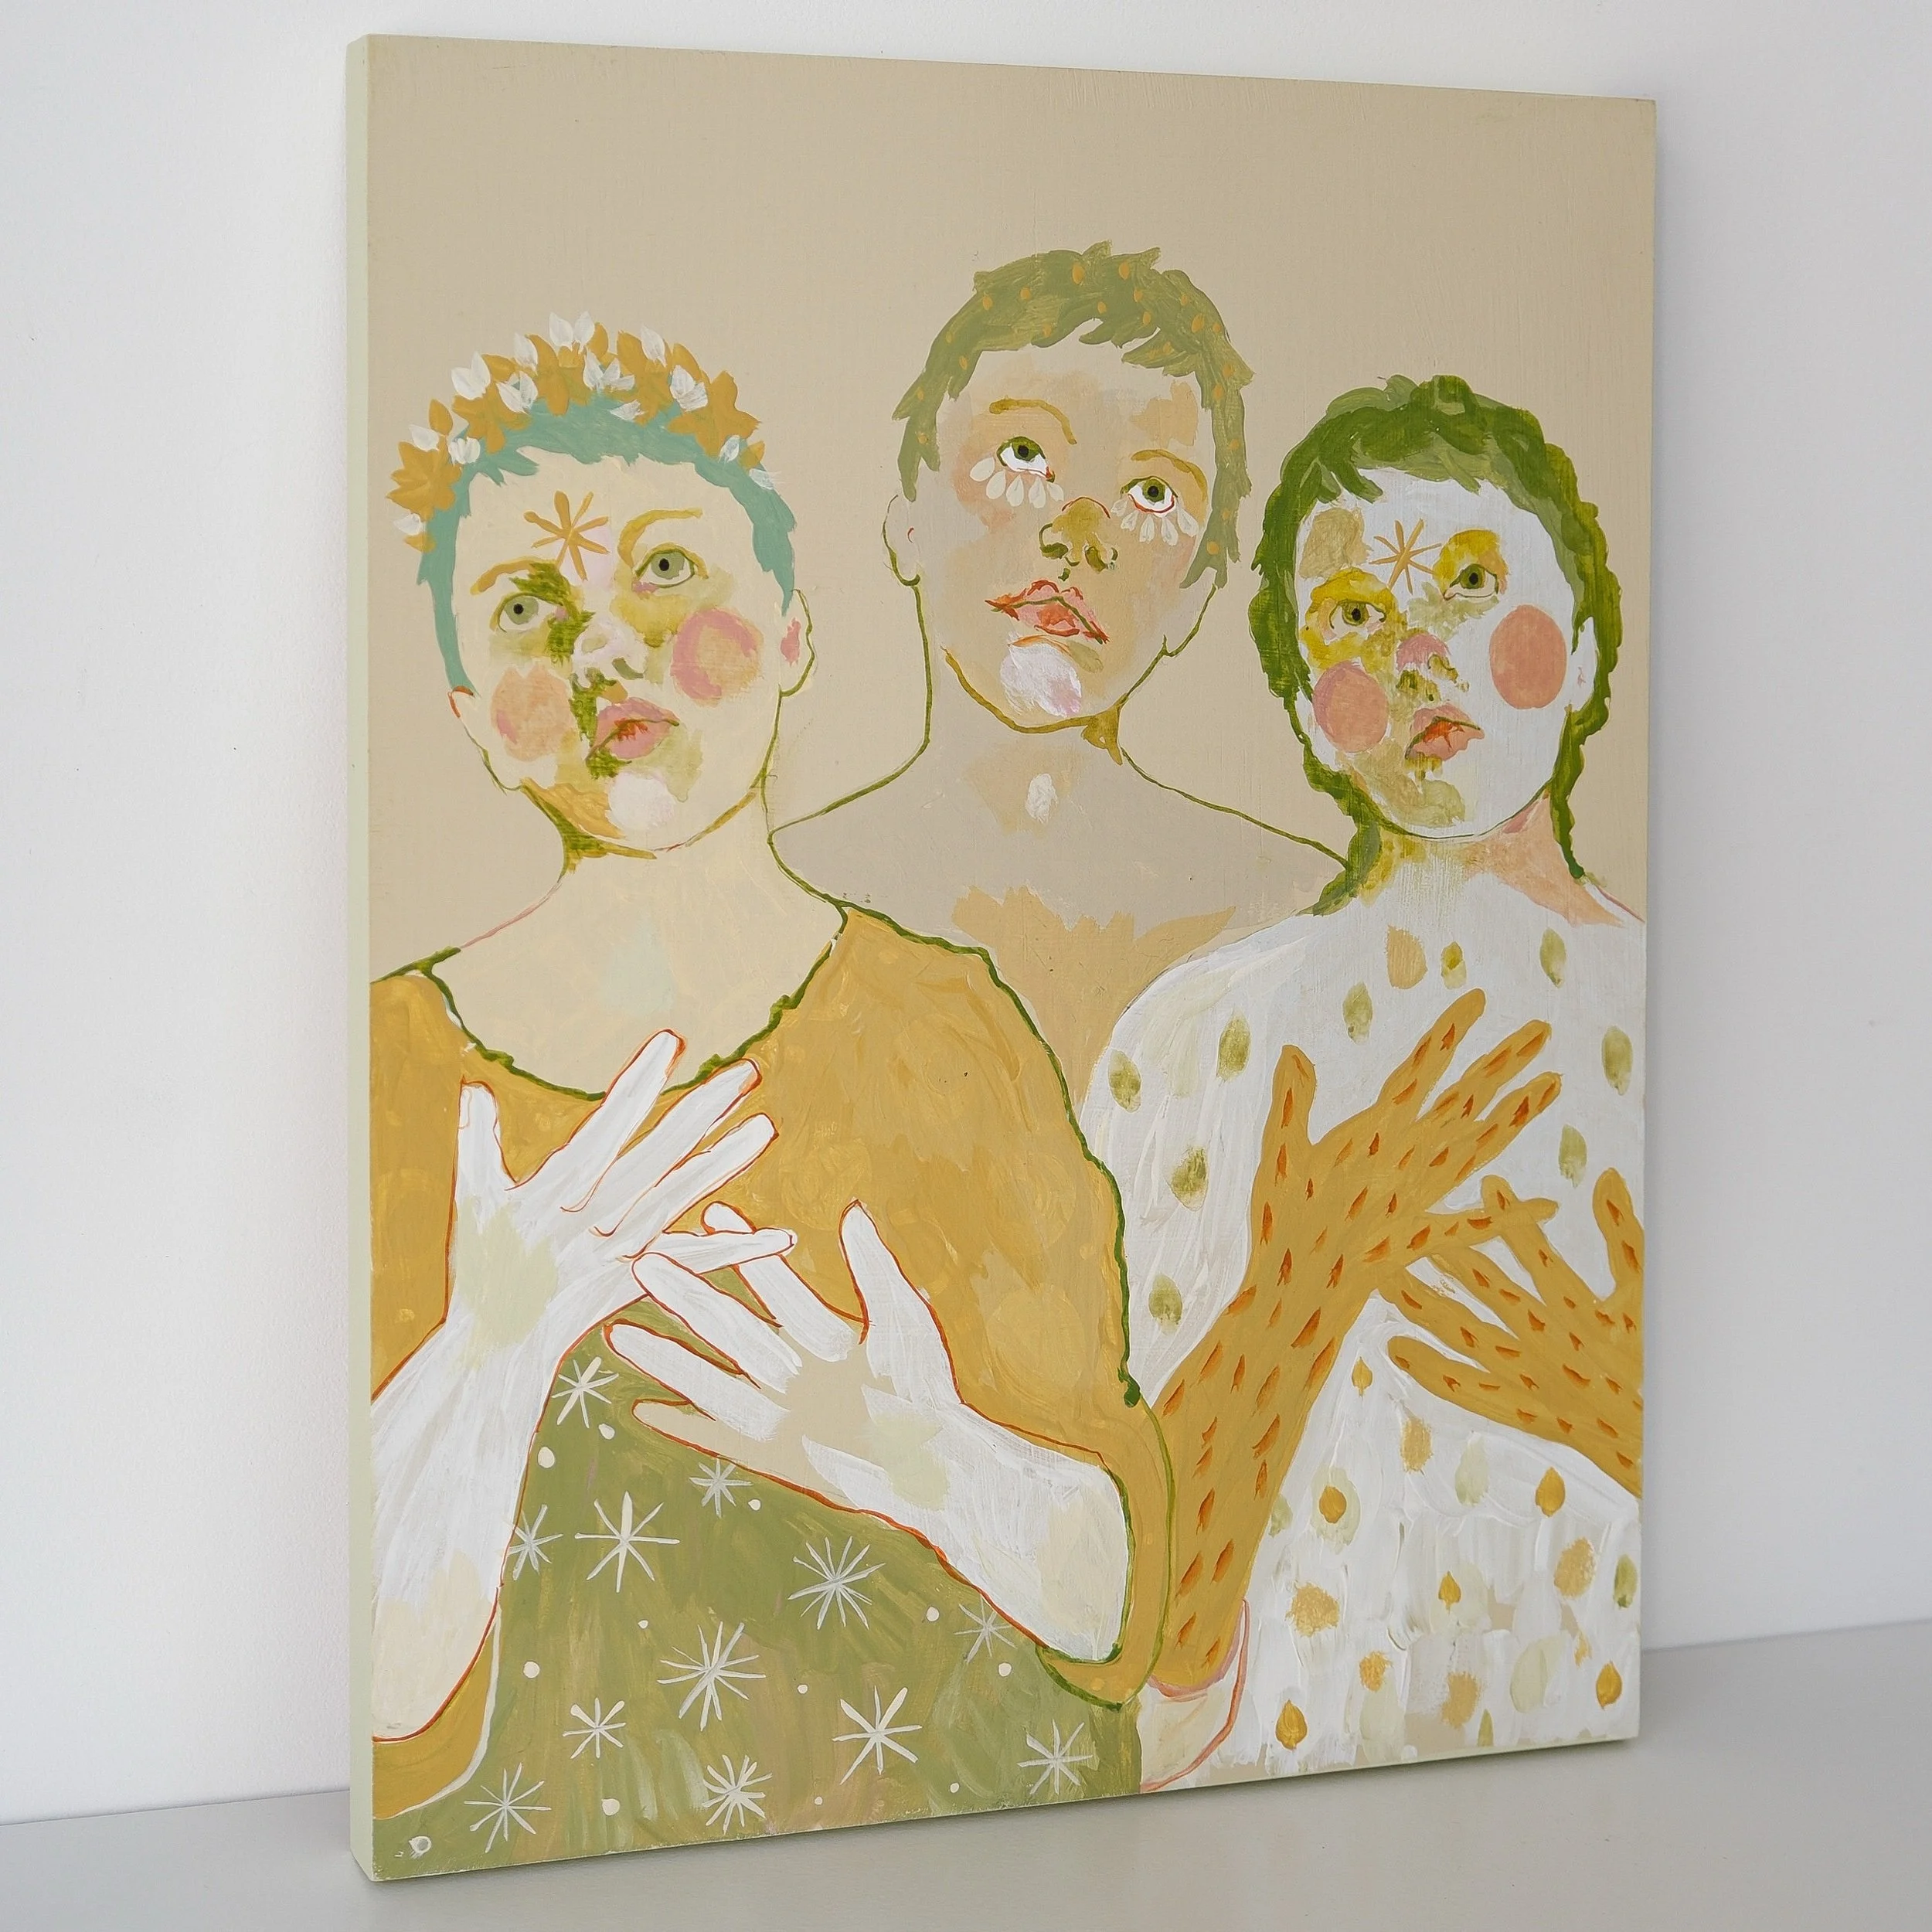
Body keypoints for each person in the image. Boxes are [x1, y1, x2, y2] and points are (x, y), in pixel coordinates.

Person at [367, 317, 1172, 1872]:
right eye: (528, 608)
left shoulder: (944, 1034)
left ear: (793, 629)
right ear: (469, 712)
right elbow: (387, 1706)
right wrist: (489, 1349)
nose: (604, 653)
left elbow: (1111, 1604)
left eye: (666, 572)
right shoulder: (401, 1068)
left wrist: (926, 1459)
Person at [1082, 376, 1645, 1781]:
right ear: (1301, 705)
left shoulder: (1672, 1017)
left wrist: (1621, 1406)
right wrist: (1297, 1292)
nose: (1419, 658)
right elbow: (1135, 1642)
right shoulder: (1199, 1039)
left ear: (1582, 647)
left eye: (1470, 587)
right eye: (1354, 619)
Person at [777, 243, 1336, 1097]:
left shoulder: (1299, 916)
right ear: (909, 520)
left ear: (1193, 596)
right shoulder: (786, 899)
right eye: (1021, 454)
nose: (1078, 534)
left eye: (1152, 495)